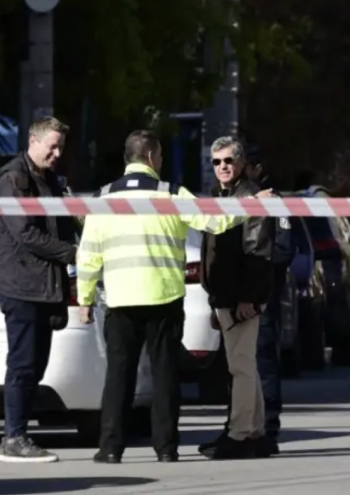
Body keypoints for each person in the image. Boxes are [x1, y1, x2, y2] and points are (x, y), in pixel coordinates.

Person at [75, 130, 248, 464]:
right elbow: (216, 221)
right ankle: (166, 448)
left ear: (128, 158)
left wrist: (85, 299)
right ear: (153, 157)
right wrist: (252, 206)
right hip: (164, 298)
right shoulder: (172, 193)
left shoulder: (102, 198)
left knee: (118, 376)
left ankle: (110, 448)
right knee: (165, 375)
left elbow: (88, 256)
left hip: (121, 300)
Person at [0, 116, 78, 463]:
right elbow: (25, 232)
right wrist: (71, 253)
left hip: (45, 285)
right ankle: (14, 438)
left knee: (36, 366)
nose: (57, 154)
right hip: (22, 285)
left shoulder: (50, 179)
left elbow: (61, 225)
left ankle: (18, 434)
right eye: (52, 147)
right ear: (33, 141)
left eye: (61, 148)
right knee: (23, 365)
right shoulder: (14, 178)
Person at [195, 137, 276, 460]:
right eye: (216, 162)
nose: (223, 167)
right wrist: (216, 299)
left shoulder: (250, 197)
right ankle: (255, 432)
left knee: (240, 367)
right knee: (244, 366)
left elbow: (258, 252)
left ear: (241, 162)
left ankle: (240, 433)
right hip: (226, 295)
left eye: (229, 160)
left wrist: (248, 298)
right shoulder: (220, 196)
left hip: (240, 296)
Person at [242, 144, 292, 454]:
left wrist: (256, 272)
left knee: (263, 360)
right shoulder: (231, 199)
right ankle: (241, 429)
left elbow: (284, 250)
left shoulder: (275, 203)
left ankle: (268, 428)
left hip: (263, 294)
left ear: (257, 169)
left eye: (242, 164)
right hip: (233, 296)